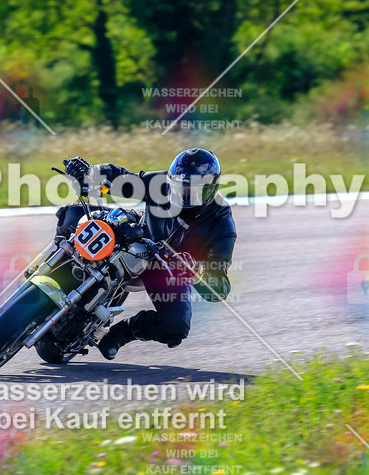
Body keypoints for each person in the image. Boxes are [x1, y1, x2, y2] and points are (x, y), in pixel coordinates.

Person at [55, 148, 237, 360]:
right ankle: (51, 271)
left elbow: (221, 286)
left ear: (211, 190)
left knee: (176, 327)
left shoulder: (222, 226)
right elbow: (121, 179)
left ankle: (123, 332)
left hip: (168, 269)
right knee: (72, 213)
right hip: (137, 234)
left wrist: (198, 273)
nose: (183, 196)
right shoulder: (161, 183)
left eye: (192, 192)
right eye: (178, 188)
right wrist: (91, 172)